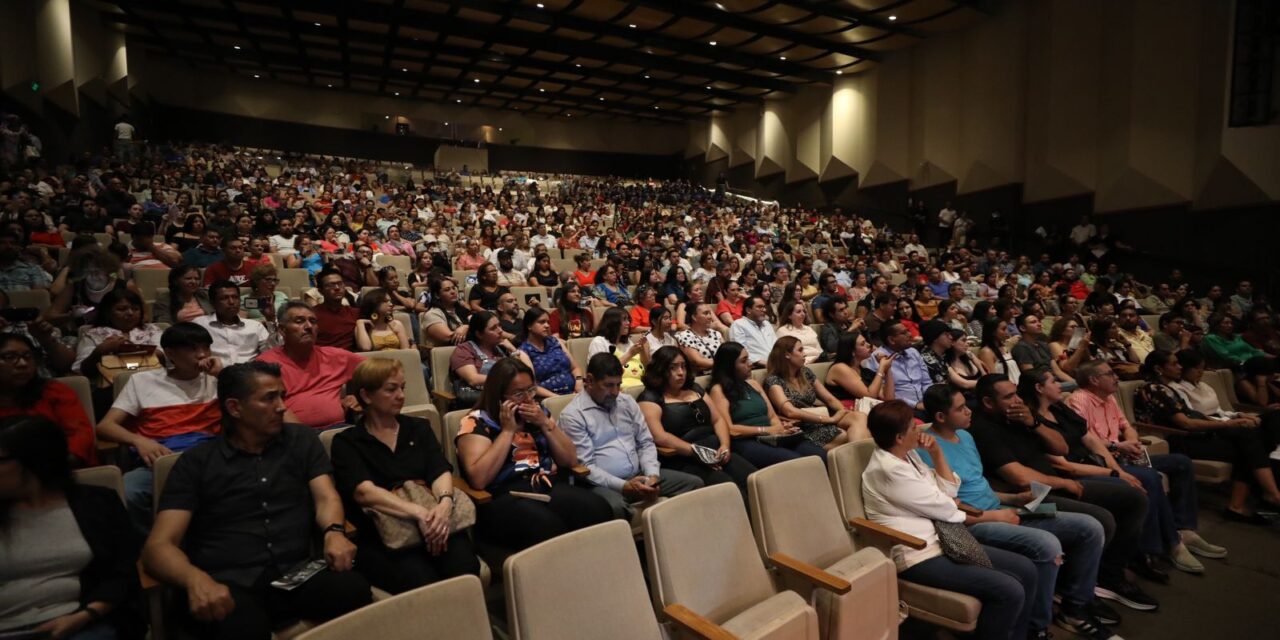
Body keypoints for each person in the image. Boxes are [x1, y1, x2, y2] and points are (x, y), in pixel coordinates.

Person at [142, 362, 371, 640]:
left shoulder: (301, 441)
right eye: (269, 398)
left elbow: (326, 497)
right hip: (228, 581)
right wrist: (195, 579)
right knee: (239, 625)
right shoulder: (197, 463)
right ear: (234, 408)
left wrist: (334, 532)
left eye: (282, 396)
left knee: (353, 588)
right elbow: (158, 546)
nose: (282, 406)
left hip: (295, 573)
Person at [916, 386, 1117, 639]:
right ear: (941, 417)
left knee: (1089, 526)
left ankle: (1075, 607)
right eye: (960, 408)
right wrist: (995, 514)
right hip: (976, 521)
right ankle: (1037, 627)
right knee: (1046, 545)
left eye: (967, 405)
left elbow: (980, 485)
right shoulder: (926, 449)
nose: (969, 411)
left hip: (1003, 506)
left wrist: (1014, 498)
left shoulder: (965, 436)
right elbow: (947, 504)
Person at [967, 374, 1158, 612]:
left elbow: (1062, 447)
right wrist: (1062, 483)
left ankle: (1108, 574)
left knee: (1133, 498)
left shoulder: (1020, 416)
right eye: (1009, 397)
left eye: (1016, 393)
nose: (1017, 400)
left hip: (1055, 483)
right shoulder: (982, 428)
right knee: (1101, 519)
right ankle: (1075, 593)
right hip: (1030, 496)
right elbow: (1019, 477)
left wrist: (1034, 423)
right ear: (987, 402)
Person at [860, 400, 1037, 640]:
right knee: (1009, 590)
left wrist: (937, 452)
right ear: (900, 437)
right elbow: (945, 507)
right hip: (918, 554)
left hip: (944, 541)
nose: (920, 430)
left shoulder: (909, 456)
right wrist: (950, 503)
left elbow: (950, 492)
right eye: (914, 427)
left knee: (1026, 569)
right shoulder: (887, 469)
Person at [329, 358, 480, 594]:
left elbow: (439, 470)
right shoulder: (347, 442)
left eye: (403, 387)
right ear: (366, 396)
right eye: (391, 389)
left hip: (434, 518)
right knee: (420, 582)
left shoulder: (418, 427)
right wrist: (417, 513)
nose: (401, 395)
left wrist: (444, 504)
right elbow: (364, 492)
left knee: (465, 567)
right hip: (384, 532)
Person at [1062, 359, 1227, 572]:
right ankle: (1165, 546)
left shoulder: (1109, 398)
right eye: (1110, 374)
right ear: (1094, 379)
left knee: (1181, 462)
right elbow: (1087, 440)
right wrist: (1119, 445)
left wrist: (1132, 441)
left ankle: (1185, 528)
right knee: (1150, 477)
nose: (1116, 377)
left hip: (1124, 453)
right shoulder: (1079, 401)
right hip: (1102, 459)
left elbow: (1126, 425)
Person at [0, 415, 141, 640]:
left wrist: (86, 615)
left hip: (81, 623)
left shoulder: (96, 504)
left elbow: (122, 573)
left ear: (33, 463)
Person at [454, 358, 613, 549]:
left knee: (598, 508)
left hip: (546, 486)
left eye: (531, 390)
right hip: (504, 497)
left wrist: (545, 424)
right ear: (499, 396)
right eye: (518, 394)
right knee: (547, 527)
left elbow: (570, 460)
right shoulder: (476, 422)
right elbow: (479, 479)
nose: (529, 399)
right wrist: (507, 431)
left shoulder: (538, 413)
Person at [95, 323, 223, 534]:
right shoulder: (143, 381)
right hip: (159, 459)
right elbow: (105, 426)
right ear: (170, 353)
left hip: (209, 457)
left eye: (205, 347)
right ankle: (153, 545)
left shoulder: (219, 379)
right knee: (127, 492)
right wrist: (139, 440)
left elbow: (249, 408)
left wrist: (222, 375)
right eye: (192, 348)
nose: (201, 354)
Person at [1135, 350, 1280, 524]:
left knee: (1252, 440)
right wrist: (1228, 424)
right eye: (1174, 364)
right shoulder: (1154, 389)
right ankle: (1265, 497)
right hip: (1179, 439)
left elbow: (1197, 416)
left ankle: (1251, 501)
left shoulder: (1168, 388)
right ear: (1159, 368)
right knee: (1249, 443)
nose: (1179, 366)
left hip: (1196, 434)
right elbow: (1186, 423)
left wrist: (1235, 419)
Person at [559, 354, 704, 519]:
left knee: (695, 485)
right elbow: (587, 467)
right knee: (616, 508)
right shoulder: (573, 415)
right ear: (590, 381)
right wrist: (624, 486)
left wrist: (652, 476)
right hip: (603, 485)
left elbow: (645, 443)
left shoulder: (626, 402)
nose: (615, 392)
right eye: (608, 385)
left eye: (618, 384)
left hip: (640, 474)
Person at [637, 346, 758, 493]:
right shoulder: (650, 397)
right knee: (727, 487)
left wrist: (725, 445)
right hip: (682, 456)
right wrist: (698, 452)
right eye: (673, 368)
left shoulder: (694, 388)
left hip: (715, 450)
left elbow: (718, 420)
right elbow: (659, 436)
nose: (681, 372)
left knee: (753, 478)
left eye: (683, 366)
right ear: (660, 370)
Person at [706, 341, 826, 468]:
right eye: (743, 361)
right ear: (729, 366)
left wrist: (779, 430)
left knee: (821, 456)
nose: (750, 364)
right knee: (797, 462)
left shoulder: (754, 384)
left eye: (748, 359)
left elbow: (772, 417)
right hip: (746, 441)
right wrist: (767, 430)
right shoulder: (718, 390)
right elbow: (730, 429)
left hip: (771, 437)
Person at [256, 303, 363, 430]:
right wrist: (306, 438)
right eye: (299, 321)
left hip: (340, 429)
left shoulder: (334, 356)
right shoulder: (265, 364)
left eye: (313, 321)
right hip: (290, 435)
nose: (309, 326)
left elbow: (382, 371)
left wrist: (361, 397)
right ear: (282, 330)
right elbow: (267, 408)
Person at [0, 333, 96, 466]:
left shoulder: (54, 392)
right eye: (10, 357)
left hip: (60, 471)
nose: (22, 364)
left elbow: (80, 436)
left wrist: (52, 469)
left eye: (27, 356)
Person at [72, 288, 164, 417]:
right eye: (122, 309)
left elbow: (164, 354)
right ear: (107, 312)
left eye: (135, 309)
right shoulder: (93, 334)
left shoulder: (152, 330)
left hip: (152, 383)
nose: (130, 313)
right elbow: (82, 369)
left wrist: (130, 349)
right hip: (110, 390)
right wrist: (100, 351)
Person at [764, 336, 867, 449]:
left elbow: (829, 399)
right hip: (801, 425)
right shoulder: (774, 380)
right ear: (787, 355)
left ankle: (859, 459)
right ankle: (859, 459)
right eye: (800, 350)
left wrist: (842, 411)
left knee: (860, 417)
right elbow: (790, 412)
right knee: (848, 435)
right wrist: (829, 419)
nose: (805, 353)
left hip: (820, 418)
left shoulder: (805, 373)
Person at [449, 311, 527, 409]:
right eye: (493, 328)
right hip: (480, 403)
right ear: (479, 334)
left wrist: (513, 350)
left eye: (499, 326)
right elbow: (473, 379)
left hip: (505, 399)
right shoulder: (464, 350)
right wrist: (507, 380)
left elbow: (521, 372)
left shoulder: (501, 348)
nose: (500, 331)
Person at [193, 281, 271, 365]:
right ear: (213, 303)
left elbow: (272, 352)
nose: (231, 302)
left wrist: (270, 319)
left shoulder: (255, 326)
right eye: (224, 298)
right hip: (214, 375)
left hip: (249, 374)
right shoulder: (199, 324)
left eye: (235, 297)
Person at [866, 320, 931, 417]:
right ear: (892, 340)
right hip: (901, 408)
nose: (910, 334)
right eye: (904, 333)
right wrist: (916, 405)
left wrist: (931, 400)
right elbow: (884, 393)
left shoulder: (913, 352)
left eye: (908, 331)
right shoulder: (878, 358)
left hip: (925, 403)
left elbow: (926, 382)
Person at [519, 307, 583, 397]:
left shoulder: (556, 342)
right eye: (542, 322)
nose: (547, 325)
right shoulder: (523, 352)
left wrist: (579, 381)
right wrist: (558, 398)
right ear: (529, 326)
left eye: (548, 322)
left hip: (575, 393)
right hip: (549, 399)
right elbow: (532, 386)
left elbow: (575, 368)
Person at [826, 333, 894, 407]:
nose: (869, 345)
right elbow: (869, 397)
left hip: (866, 410)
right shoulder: (840, 368)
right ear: (852, 352)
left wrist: (887, 369)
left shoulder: (865, 371)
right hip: (845, 413)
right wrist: (881, 368)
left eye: (866, 342)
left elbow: (888, 399)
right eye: (863, 344)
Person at [588, 308, 647, 389]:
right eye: (624, 320)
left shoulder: (628, 342)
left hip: (636, 383)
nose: (628, 323)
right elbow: (602, 371)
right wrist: (630, 354)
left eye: (628, 320)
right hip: (611, 387)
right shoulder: (599, 342)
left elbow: (644, 366)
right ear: (613, 322)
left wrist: (642, 351)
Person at [312, 269, 360, 350]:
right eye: (331, 285)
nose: (337, 288)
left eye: (340, 284)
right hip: (323, 358)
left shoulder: (355, 313)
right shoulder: (312, 314)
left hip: (350, 357)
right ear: (320, 291)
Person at [420, 277, 470, 348]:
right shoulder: (432, 314)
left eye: (453, 288)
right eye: (447, 290)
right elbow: (448, 337)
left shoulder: (461, 309)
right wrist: (467, 327)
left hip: (465, 350)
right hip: (444, 354)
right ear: (437, 295)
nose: (453, 292)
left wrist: (466, 327)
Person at [728, 295, 777, 367]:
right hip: (756, 366)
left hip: (776, 365)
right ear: (748, 310)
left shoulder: (767, 324)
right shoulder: (739, 324)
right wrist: (760, 362)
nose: (764, 310)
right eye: (759, 307)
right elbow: (740, 351)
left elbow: (776, 345)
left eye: (764, 307)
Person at [977, 317, 1021, 386]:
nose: (1007, 332)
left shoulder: (1004, 347)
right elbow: (992, 379)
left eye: (1007, 328)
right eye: (1003, 329)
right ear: (993, 332)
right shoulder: (986, 352)